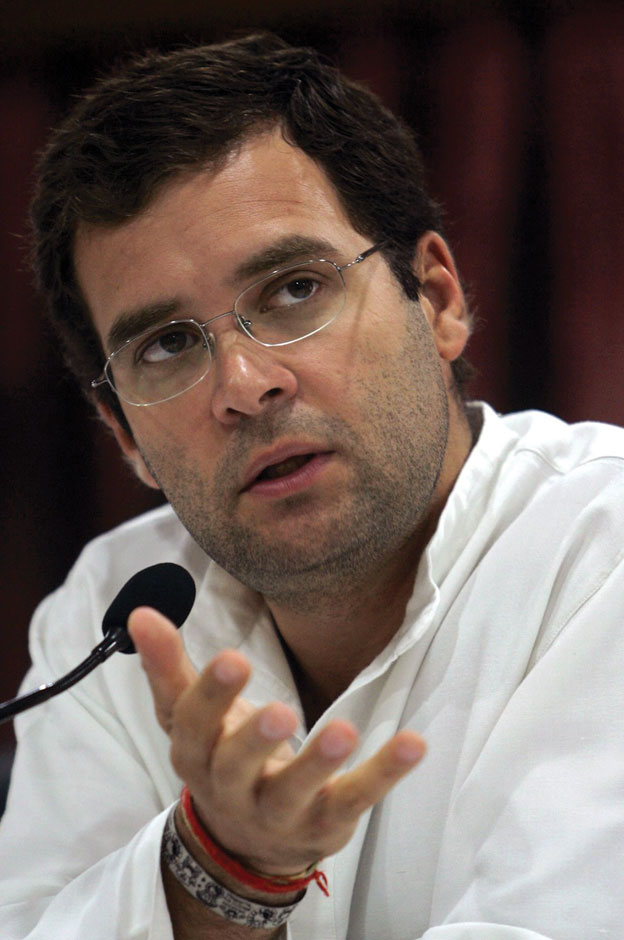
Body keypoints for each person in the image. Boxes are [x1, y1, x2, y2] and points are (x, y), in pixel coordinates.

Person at [1, 31, 623, 940]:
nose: (244, 385)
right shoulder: (118, 619)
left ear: (437, 299)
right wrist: (220, 871)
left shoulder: (604, 549)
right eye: (167, 345)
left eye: (295, 289)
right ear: (125, 434)